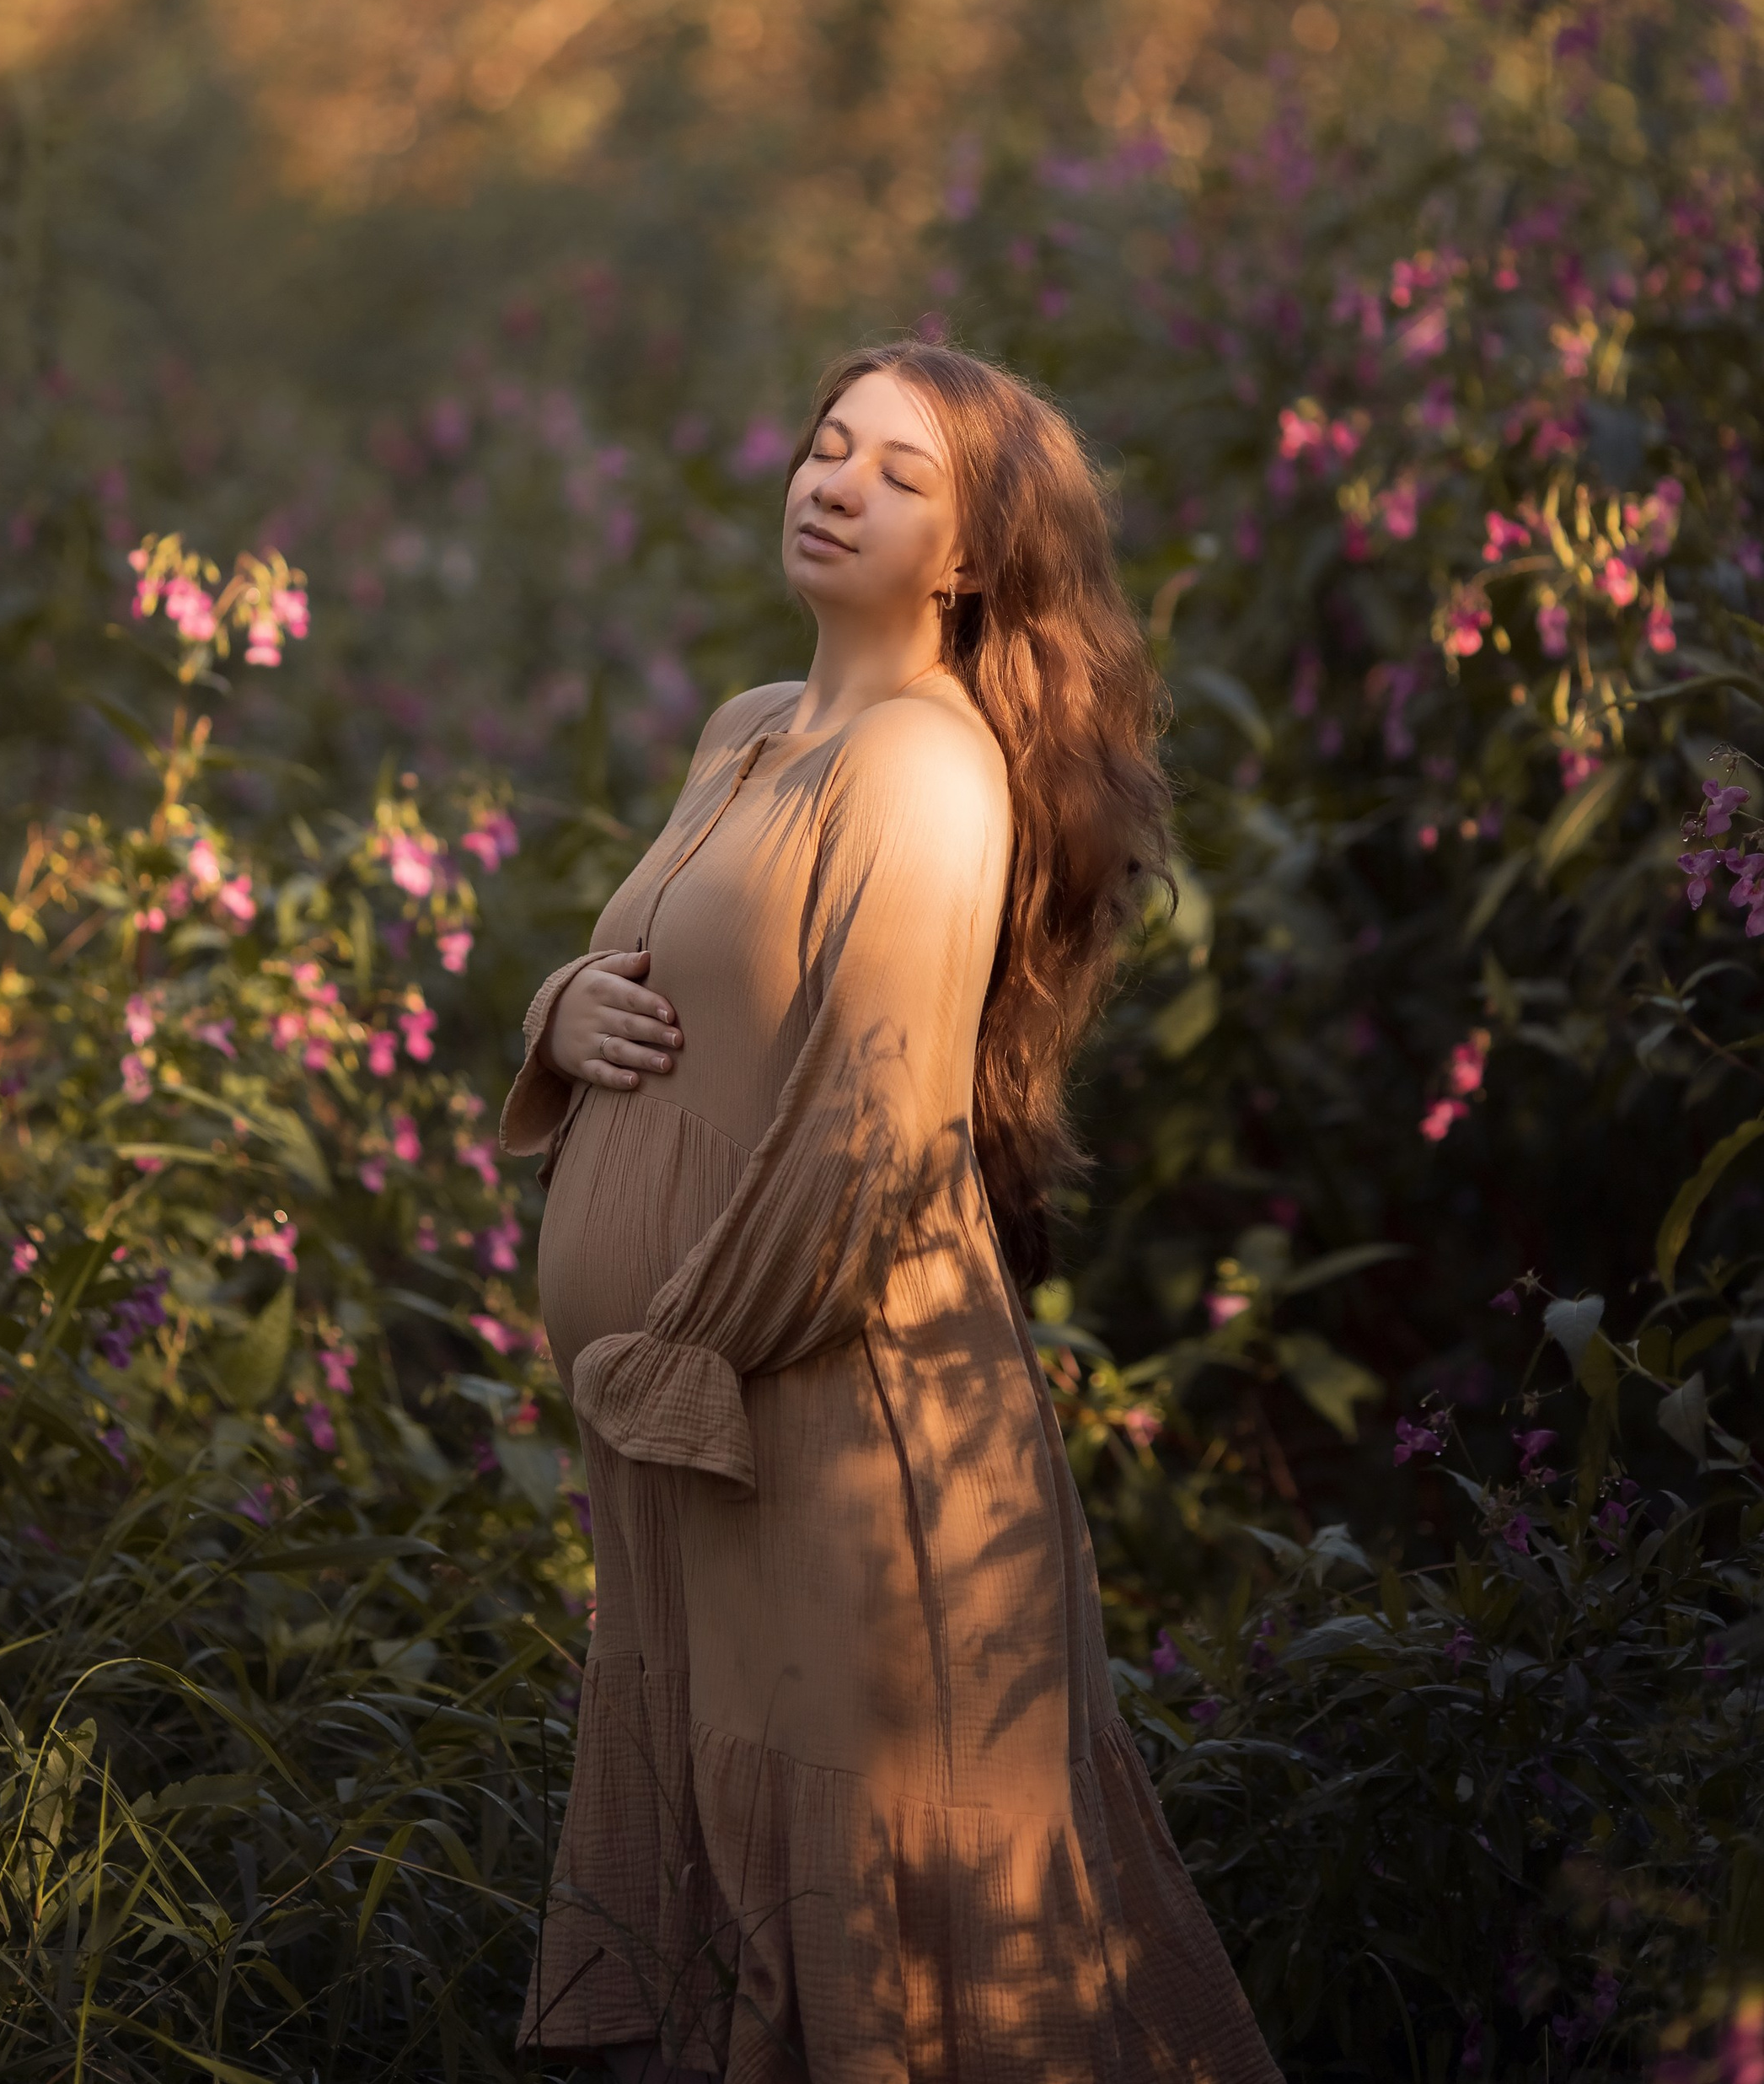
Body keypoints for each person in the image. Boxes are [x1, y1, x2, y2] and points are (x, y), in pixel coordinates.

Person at [501, 340, 1280, 2084]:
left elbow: (870, 1144)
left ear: (973, 555)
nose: (833, 480)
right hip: (707, 1432)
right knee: (719, 1877)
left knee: (885, 1942)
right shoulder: (749, 733)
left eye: (897, 472)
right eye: (825, 445)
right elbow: (678, 971)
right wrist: (557, 1007)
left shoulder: (923, 773)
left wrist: (662, 1359)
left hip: (834, 1430)